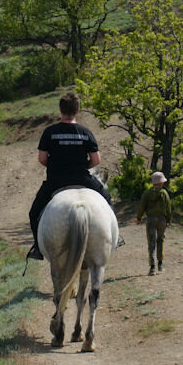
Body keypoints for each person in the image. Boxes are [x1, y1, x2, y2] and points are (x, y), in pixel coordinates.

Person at [26, 92, 112, 261]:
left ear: (60, 109)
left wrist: (55, 167)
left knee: (34, 212)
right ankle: (115, 237)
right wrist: (81, 167)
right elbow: (96, 160)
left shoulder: (49, 132)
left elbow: (42, 159)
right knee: (107, 200)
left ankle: (37, 247)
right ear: (78, 110)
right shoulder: (85, 132)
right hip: (82, 178)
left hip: (56, 180)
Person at [136, 171, 172, 275]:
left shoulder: (147, 193)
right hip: (162, 220)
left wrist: (139, 218)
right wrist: (169, 220)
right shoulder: (164, 193)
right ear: (161, 183)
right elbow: (168, 208)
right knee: (160, 240)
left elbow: (142, 206)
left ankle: (152, 267)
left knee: (151, 242)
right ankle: (160, 263)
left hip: (150, 219)